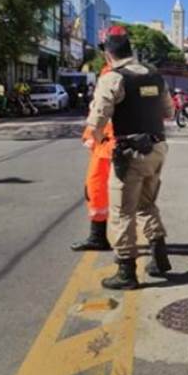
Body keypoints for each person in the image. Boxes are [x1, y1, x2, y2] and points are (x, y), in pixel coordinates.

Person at [85, 25, 175, 290]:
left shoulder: (113, 78)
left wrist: (97, 139)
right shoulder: (155, 76)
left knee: (122, 212)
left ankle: (126, 272)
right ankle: (160, 257)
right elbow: (169, 112)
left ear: (108, 53)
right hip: (157, 149)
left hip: (130, 153)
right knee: (147, 204)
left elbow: (98, 118)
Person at [71, 70, 114, 252]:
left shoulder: (112, 75)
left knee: (97, 189)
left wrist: (91, 135)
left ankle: (99, 238)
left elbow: (100, 111)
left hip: (108, 147)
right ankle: (156, 249)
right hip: (117, 146)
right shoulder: (138, 75)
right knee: (135, 196)